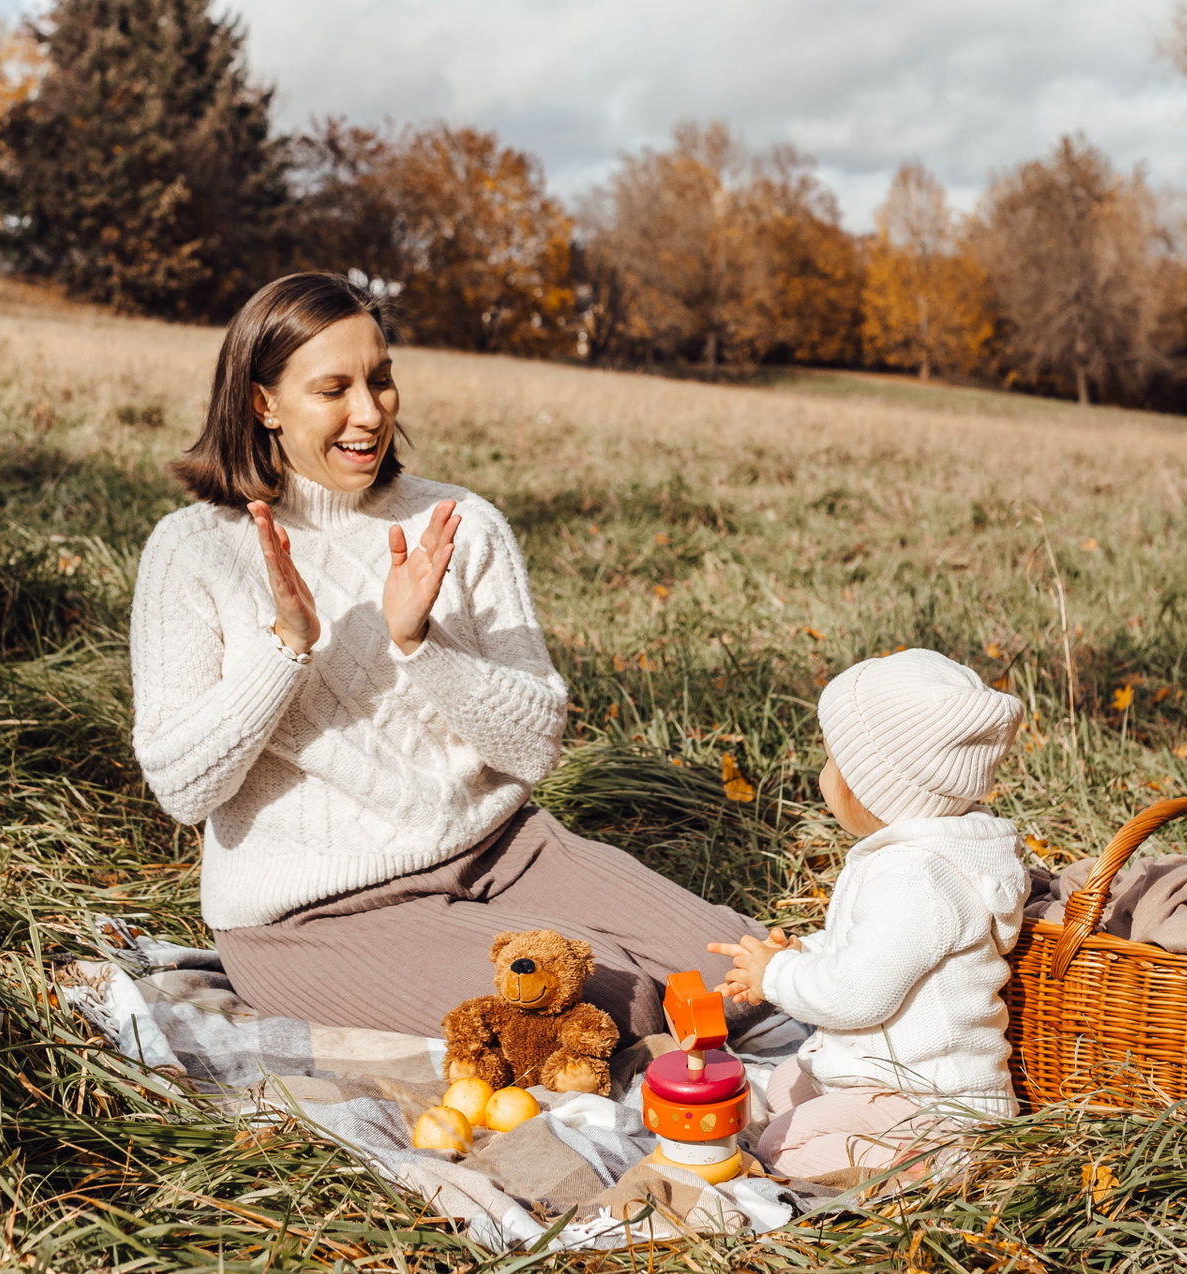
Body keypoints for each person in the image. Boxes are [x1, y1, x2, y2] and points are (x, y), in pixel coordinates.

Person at [129, 272, 765, 1043]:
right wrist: (284, 647)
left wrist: (419, 645)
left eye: (380, 380)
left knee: (743, 971)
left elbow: (534, 746)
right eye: (333, 390)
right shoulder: (194, 550)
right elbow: (182, 787)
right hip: (315, 918)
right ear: (264, 403)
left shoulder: (459, 523)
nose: (371, 413)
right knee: (601, 1010)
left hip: (502, 851)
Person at [709, 649, 1028, 1185]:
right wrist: (802, 954)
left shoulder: (915, 876)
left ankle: (951, 1163)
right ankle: (899, 1149)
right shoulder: (918, 854)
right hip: (889, 1073)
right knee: (787, 1083)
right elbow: (870, 949)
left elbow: (858, 993)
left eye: (830, 761)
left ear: (869, 787)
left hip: (933, 1098)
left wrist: (778, 977)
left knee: (782, 1146)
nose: (822, 774)